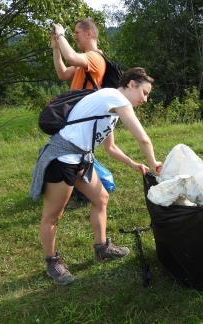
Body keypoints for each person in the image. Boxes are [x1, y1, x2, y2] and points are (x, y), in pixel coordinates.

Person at [30, 67, 162, 285]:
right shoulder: (113, 97)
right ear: (131, 84)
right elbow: (143, 138)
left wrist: (133, 163)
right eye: (144, 92)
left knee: (101, 198)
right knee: (52, 216)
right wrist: (153, 162)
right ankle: (52, 263)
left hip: (81, 158)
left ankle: (102, 249)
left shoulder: (112, 107)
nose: (145, 99)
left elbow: (110, 148)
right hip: (62, 158)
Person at [51, 18, 107, 209]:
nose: (74, 36)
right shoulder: (85, 59)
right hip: (77, 115)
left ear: (89, 33)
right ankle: (81, 192)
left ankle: (83, 195)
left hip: (84, 116)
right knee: (75, 153)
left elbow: (71, 58)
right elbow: (63, 73)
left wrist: (60, 34)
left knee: (77, 154)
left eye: (76, 32)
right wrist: (56, 47)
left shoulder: (94, 57)